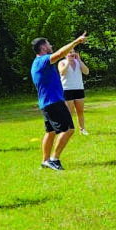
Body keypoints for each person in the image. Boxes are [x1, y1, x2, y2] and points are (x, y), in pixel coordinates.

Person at [31, 33, 87, 170]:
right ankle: (54, 159)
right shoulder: (43, 60)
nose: (50, 46)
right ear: (43, 47)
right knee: (68, 129)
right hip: (54, 102)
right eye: (48, 43)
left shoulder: (35, 63)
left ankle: (45, 161)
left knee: (50, 132)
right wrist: (76, 42)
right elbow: (60, 53)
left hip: (46, 103)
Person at [59, 50, 90, 135]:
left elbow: (86, 72)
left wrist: (80, 60)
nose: (71, 54)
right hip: (67, 89)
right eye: (69, 52)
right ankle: (67, 130)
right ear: (65, 54)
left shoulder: (78, 62)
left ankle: (82, 129)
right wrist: (68, 62)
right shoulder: (62, 62)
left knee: (80, 111)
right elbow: (62, 72)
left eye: (73, 52)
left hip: (79, 88)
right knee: (69, 112)